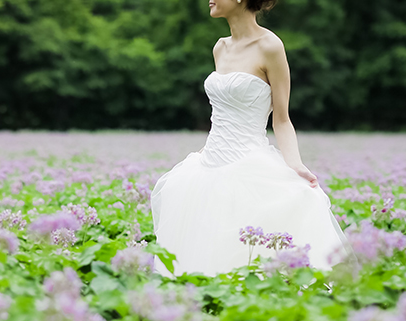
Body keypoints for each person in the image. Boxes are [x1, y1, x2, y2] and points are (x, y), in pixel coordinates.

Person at [150, 0, 354, 278]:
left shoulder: (270, 46)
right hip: (207, 165)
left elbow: (281, 118)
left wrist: (294, 164)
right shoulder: (219, 47)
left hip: (249, 164)